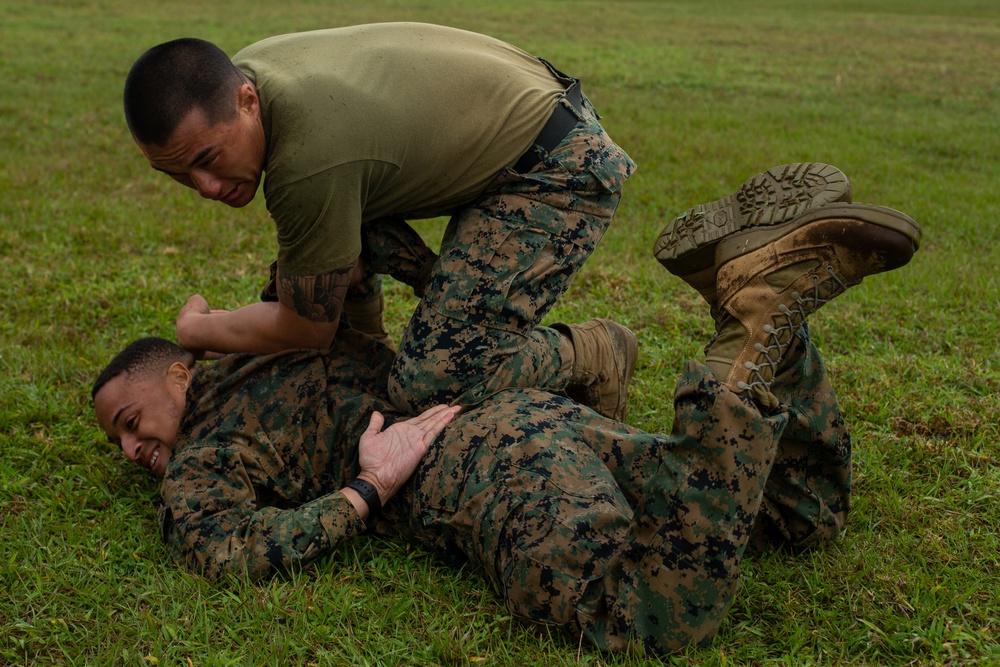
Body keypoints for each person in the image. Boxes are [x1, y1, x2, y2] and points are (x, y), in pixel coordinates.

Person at [92, 175, 921, 655]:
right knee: (800, 517)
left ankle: (751, 319)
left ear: (178, 372)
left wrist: (369, 491)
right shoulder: (286, 325)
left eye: (130, 417)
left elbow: (227, 552)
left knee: (647, 612)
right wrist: (441, 304)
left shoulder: (207, 447)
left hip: (487, 474)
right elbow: (355, 237)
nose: (130, 447)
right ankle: (770, 314)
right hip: (534, 420)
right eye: (118, 440)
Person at [121, 24, 851, 423]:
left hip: (555, 169)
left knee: (435, 378)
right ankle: (412, 332)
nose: (206, 186)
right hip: (524, 124)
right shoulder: (254, 79)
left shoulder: (305, 156)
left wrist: (198, 329)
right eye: (178, 174)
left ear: (245, 101)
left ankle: (593, 351)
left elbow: (302, 326)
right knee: (317, 262)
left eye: (210, 159)